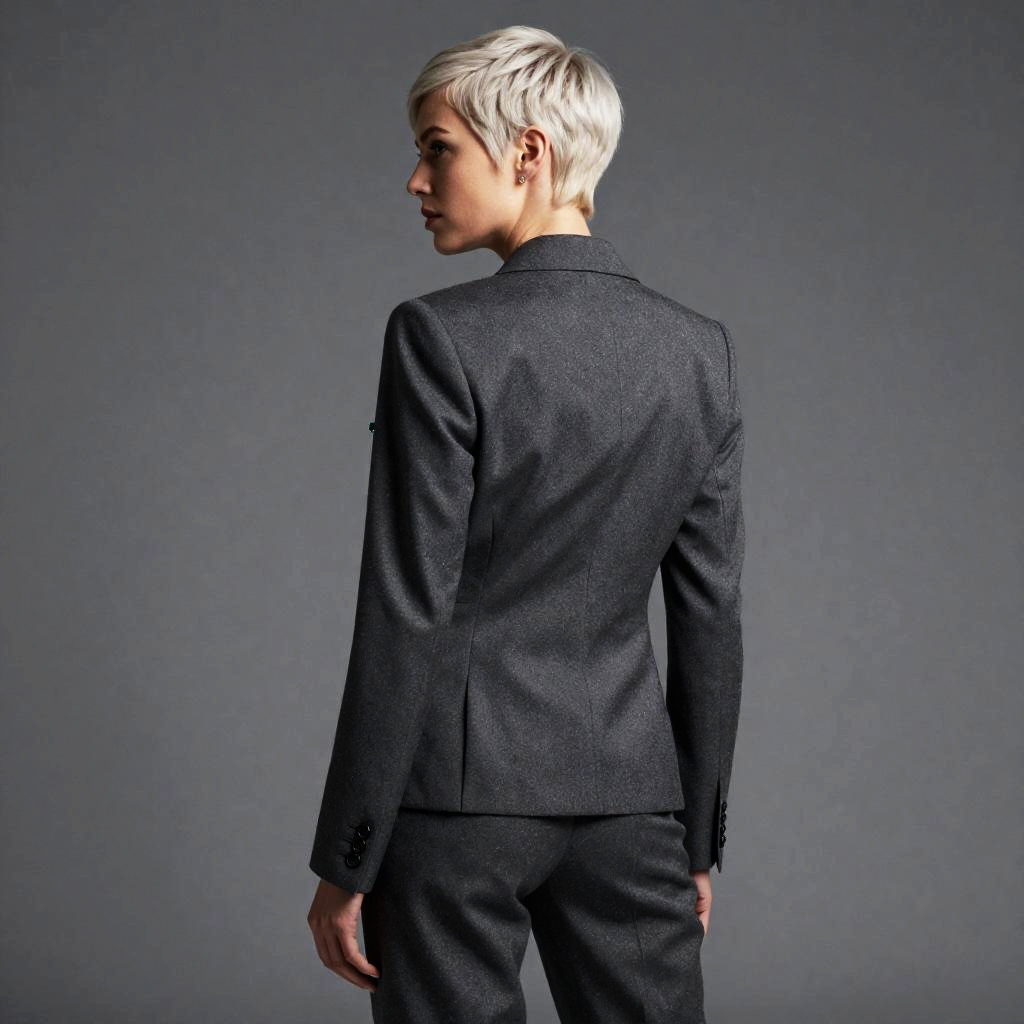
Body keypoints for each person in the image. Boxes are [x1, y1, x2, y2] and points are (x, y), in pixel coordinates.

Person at [306, 24, 745, 1024]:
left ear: (528, 151)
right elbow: (711, 614)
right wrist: (694, 840)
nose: (416, 180)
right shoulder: (700, 353)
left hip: (456, 805)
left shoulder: (439, 336)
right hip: (633, 799)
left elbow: (405, 609)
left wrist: (347, 856)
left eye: (437, 148)